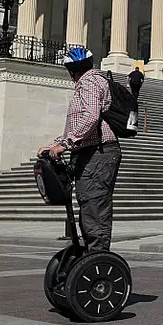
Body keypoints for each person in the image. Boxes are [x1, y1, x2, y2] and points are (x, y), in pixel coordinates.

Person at [38, 47, 121, 252]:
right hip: (91, 151)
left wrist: (65, 145)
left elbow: (91, 116)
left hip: (98, 153)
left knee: (94, 204)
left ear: (71, 70)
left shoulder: (89, 82)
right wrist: (52, 145)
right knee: (88, 204)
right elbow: (81, 123)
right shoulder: (92, 81)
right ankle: (92, 254)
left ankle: (99, 257)